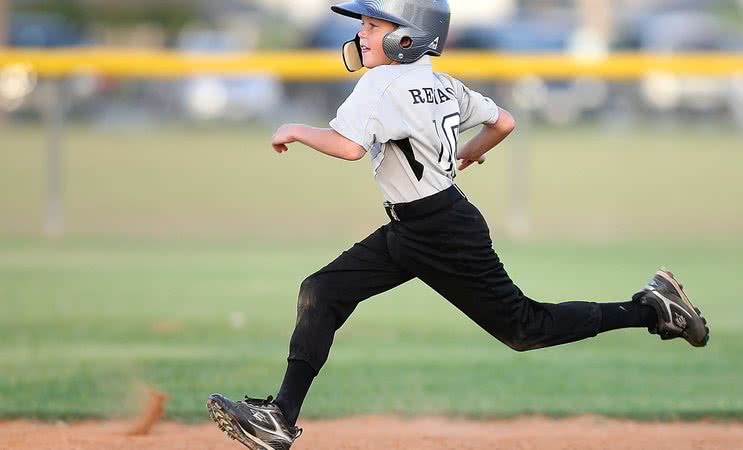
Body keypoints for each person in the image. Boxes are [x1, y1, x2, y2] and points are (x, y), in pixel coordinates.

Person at [206, 2, 710, 449]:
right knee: (322, 291)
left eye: (374, 21)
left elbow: (348, 147)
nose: (362, 32)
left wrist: (294, 129)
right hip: (421, 225)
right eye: (362, 21)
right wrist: (466, 155)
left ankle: (651, 308)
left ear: (410, 36)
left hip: (440, 233)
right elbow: (503, 122)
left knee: (524, 328)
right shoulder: (439, 81)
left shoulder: (382, 83)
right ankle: (279, 419)